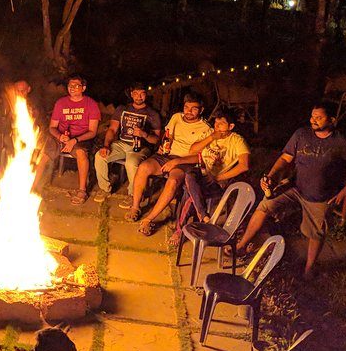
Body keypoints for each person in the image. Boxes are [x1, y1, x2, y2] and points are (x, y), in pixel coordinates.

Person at [232, 103, 346, 279]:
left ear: (332, 120)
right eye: (312, 116)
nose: (314, 120)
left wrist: (345, 190)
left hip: (320, 196)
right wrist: (271, 176)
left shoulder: (340, 142)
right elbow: (286, 157)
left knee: (316, 232)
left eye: (319, 117)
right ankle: (241, 246)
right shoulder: (301, 134)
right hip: (296, 187)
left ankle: (309, 268)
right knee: (265, 205)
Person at [168, 107, 251, 246]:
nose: (216, 126)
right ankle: (203, 216)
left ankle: (180, 230)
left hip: (219, 181)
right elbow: (192, 150)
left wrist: (220, 177)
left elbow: (244, 165)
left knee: (189, 195)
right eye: (216, 123)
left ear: (230, 126)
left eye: (221, 124)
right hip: (204, 175)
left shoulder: (237, 140)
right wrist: (211, 137)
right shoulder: (210, 134)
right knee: (190, 176)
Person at [126, 93, 211, 223]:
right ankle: (135, 207)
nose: (189, 111)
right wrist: (164, 145)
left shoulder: (206, 129)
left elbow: (201, 157)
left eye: (194, 108)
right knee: (143, 167)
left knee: (173, 181)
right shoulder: (176, 117)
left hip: (184, 161)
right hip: (166, 155)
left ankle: (149, 219)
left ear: (201, 110)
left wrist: (177, 161)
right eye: (186, 107)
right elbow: (168, 136)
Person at [93, 83, 162, 203]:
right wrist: (106, 145)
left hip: (141, 147)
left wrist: (144, 134)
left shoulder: (153, 114)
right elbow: (112, 129)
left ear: (146, 94)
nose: (139, 97)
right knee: (100, 156)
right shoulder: (122, 109)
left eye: (142, 94)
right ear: (131, 94)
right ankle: (105, 189)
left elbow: (157, 139)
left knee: (131, 163)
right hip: (121, 144)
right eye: (135, 93)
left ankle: (134, 194)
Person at [47, 74, 101, 205]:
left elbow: (92, 132)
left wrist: (74, 140)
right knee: (44, 151)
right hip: (61, 137)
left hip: (81, 138)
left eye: (76, 86)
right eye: (70, 85)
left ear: (83, 88)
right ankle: (32, 184)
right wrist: (60, 136)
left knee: (81, 153)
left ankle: (82, 190)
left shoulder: (91, 104)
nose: (72, 88)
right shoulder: (61, 103)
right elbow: (52, 127)